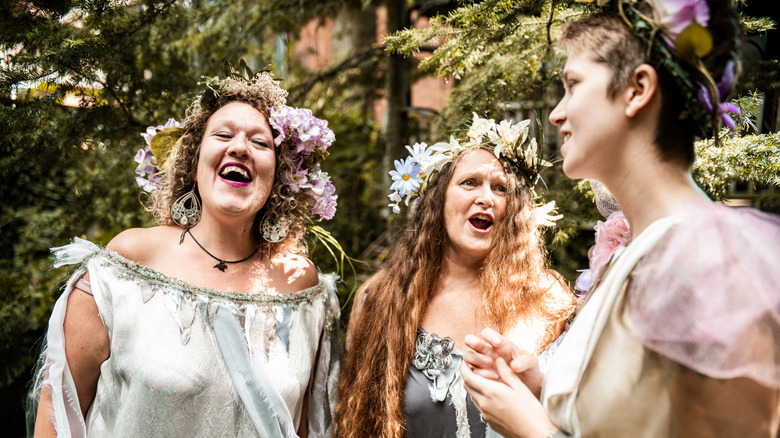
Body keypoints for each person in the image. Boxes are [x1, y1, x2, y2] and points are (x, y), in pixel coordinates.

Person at [461, 0, 780, 436]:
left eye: (572, 85)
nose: (557, 113)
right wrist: (543, 385)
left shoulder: (703, 262)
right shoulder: (638, 253)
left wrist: (532, 429)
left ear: (637, 90)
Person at [29, 71, 341, 437]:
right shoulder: (128, 262)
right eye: (223, 135)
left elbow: (306, 426)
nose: (239, 147)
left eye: (260, 142)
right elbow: (58, 409)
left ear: (279, 177)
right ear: (193, 164)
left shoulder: (300, 284)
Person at [335, 114, 577, 437]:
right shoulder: (381, 299)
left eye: (501, 189)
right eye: (470, 182)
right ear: (439, 199)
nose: (486, 198)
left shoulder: (548, 300)